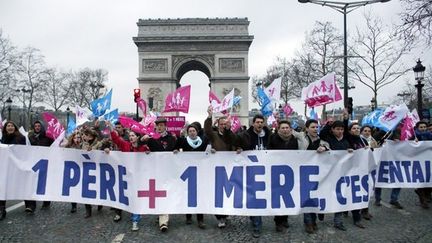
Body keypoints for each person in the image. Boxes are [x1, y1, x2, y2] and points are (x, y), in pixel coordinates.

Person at [235, 114, 270, 238]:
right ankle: (257, 225)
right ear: (253, 123)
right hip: (250, 171)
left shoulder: (269, 135)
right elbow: (235, 144)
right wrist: (238, 148)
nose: (260, 124)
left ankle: (254, 216)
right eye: (257, 122)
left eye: (262, 122)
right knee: (255, 198)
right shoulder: (245, 135)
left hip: (266, 170)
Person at [292, 119, 329, 234]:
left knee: (314, 198)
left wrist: (325, 148)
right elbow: (288, 131)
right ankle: (308, 222)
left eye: (317, 127)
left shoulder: (322, 141)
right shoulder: (301, 137)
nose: (315, 129)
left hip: (317, 174)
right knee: (306, 198)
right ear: (307, 128)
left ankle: (314, 220)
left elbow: (330, 150)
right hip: (303, 173)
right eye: (312, 127)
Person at [111, 126, 150, 231]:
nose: (131, 137)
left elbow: (150, 155)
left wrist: (148, 151)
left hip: (139, 178)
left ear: (137, 137)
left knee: (136, 199)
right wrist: (111, 128)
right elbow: (116, 140)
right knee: (127, 197)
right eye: (130, 136)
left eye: (133, 135)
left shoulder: (143, 148)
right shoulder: (126, 145)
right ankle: (122, 213)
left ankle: (135, 220)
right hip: (126, 177)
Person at [141, 117, 176, 232]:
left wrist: (151, 141)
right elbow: (137, 145)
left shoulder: (171, 138)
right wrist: (144, 141)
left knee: (165, 193)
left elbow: (166, 150)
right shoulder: (151, 138)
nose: (159, 127)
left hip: (167, 171)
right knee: (158, 194)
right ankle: (161, 216)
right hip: (155, 170)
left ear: (165, 126)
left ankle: (163, 220)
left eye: (161, 125)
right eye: (158, 125)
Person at [203, 106, 236, 229]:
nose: (222, 126)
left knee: (228, 192)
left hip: (229, 168)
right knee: (217, 193)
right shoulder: (214, 135)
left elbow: (237, 144)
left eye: (224, 124)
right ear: (218, 125)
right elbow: (206, 130)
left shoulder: (232, 135)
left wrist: (238, 149)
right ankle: (219, 217)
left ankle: (226, 212)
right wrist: (209, 116)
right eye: (221, 124)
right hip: (216, 168)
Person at [320, 119, 355, 231]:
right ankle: (321, 211)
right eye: (337, 129)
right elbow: (322, 134)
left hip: (341, 174)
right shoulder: (328, 139)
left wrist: (350, 151)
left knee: (339, 196)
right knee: (325, 195)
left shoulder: (346, 141)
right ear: (333, 130)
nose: (340, 131)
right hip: (328, 173)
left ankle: (338, 221)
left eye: (342, 129)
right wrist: (328, 124)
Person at [267, 120, 301, 233]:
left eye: (287, 127)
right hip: (276, 172)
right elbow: (268, 153)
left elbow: (303, 147)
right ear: (278, 129)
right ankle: (278, 221)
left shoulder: (294, 139)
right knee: (278, 198)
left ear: (290, 129)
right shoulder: (273, 138)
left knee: (288, 197)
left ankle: (285, 218)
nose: (285, 130)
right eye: (283, 128)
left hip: (290, 172)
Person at [174, 124, 208, 229]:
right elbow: (176, 146)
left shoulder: (203, 141)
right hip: (187, 172)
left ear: (197, 132)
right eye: (190, 131)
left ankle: (200, 219)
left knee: (199, 196)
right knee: (187, 195)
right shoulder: (184, 141)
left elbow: (211, 143)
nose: (192, 132)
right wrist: (175, 150)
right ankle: (188, 216)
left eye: (194, 131)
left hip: (199, 171)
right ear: (187, 133)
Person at [0, 121, 26, 220]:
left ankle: (30, 204)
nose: (9, 127)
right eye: (8, 126)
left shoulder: (21, 138)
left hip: (16, 165)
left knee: (22, 185)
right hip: (5, 166)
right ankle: (2, 209)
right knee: (2, 187)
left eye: (11, 126)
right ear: (5, 128)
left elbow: (23, 151)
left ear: (15, 127)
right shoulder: (3, 138)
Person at [28, 121, 54, 210]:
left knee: (44, 183)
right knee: (33, 183)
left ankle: (46, 202)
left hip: (45, 162)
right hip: (34, 162)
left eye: (39, 126)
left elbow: (54, 146)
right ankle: (32, 204)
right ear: (33, 127)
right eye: (35, 126)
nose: (37, 127)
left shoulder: (47, 137)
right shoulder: (30, 137)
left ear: (41, 127)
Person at [413, 121, 432, 209]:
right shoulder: (414, 136)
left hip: (429, 161)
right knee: (421, 181)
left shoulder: (430, 135)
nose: (423, 128)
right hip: (418, 162)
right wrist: (413, 142)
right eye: (421, 127)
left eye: (424, 127)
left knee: (429, 180)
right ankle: (423, 200)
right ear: (417, 128)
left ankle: (427, 195)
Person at [64, 132, 82, 213]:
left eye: (78, 137)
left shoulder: (83, 146)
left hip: (82, 169)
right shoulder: (68, 147)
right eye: (75, 138)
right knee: (73, 189)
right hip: (73, 170)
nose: (77, 139)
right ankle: (73, 205)